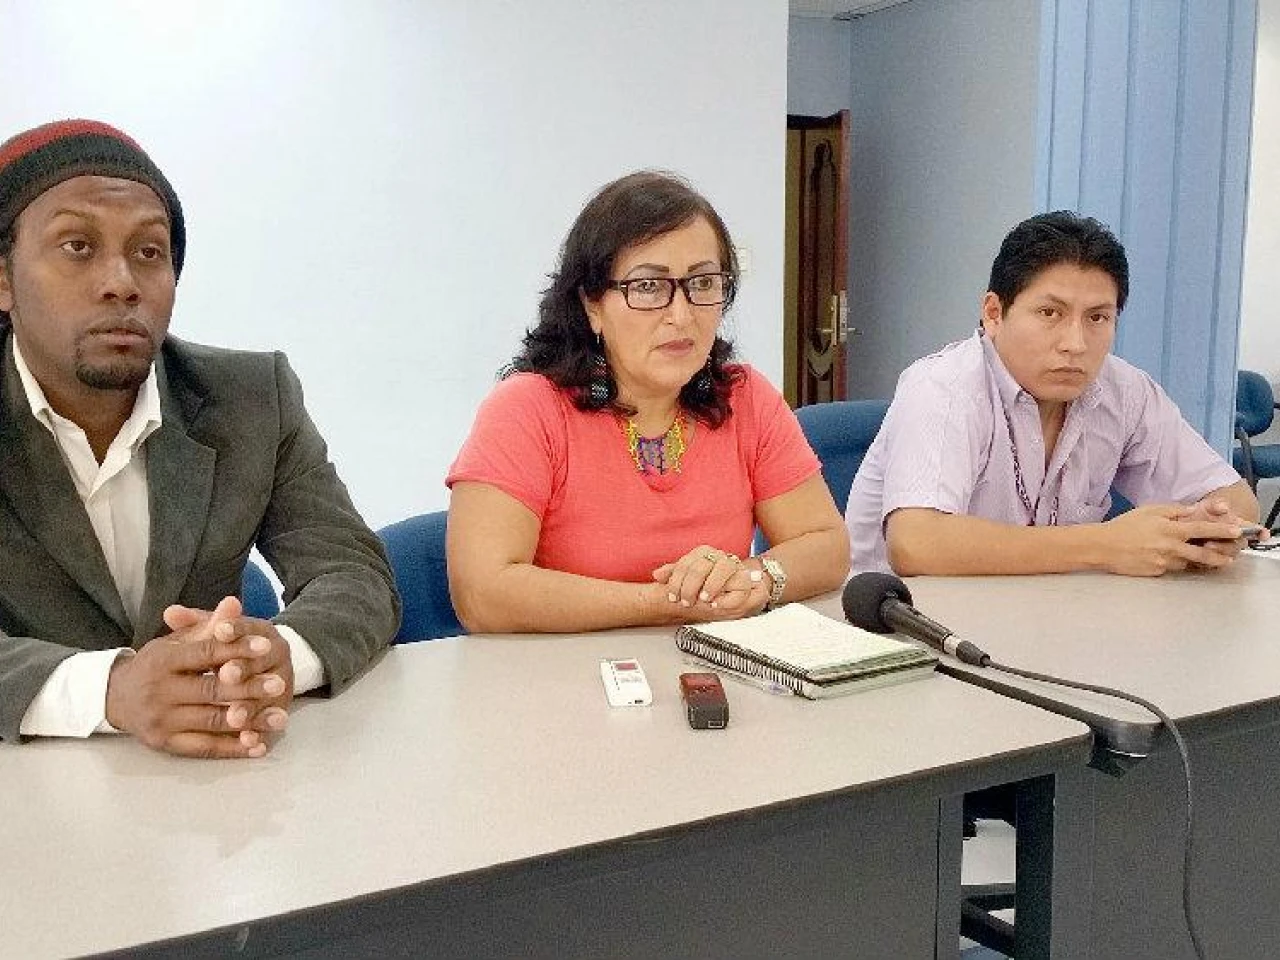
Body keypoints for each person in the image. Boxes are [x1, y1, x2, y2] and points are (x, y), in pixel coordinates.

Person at [0, 119, 399, 757]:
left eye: (149, 251)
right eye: (77, 245)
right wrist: (112, 690)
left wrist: (276, 656)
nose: (122, 281)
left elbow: (354, 573)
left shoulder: (251, 398)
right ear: (4, 278)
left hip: (214, 787)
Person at [446, 171, 849, 632]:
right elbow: (483, 593)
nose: (681, 315)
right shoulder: (528, 409)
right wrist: (666, 601)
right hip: (563, 671)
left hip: (710, 663)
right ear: (592, 305)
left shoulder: (745, 398)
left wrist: (755, 577)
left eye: (703, 283)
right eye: (648, 287)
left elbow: (828, 545)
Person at [845, 210, 1258, 577]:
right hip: (906, 625)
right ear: (993, 313)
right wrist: (1105, 545)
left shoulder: (1125, 392)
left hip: (1053, 616)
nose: (1075, 343)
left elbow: (1237, 501)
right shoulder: (943, 387)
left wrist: (1207, 529)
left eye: (1097, 318)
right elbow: (917, 543)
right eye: (1050, 313)